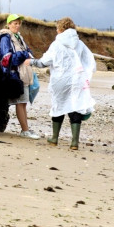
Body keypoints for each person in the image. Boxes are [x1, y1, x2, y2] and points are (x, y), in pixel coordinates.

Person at [32, 17, 96, 150]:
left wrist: (31, 62)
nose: (56, 31)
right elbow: (90, 61)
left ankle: (54, 138)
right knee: (76, 106)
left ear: (61, 29)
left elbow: (44, 62)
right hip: (77, 80)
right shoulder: (80, 43)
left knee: (58, 106)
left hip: (60, 80)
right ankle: (74, 142)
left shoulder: (57, 44)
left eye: (57, 28)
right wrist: (85, 75)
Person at [0, 13, 40, 139]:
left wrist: (26, 54)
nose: (17, 25)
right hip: (16, 74)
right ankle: (25, 130)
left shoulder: (18, 36)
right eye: (15, 23)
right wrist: (23, 55)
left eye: (19, 23)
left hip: (24, 73)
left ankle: (26, 129)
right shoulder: (5, 37)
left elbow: (28, 52)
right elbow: (6, 58)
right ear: (9, 24)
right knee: (20, 102)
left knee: (23, 102)